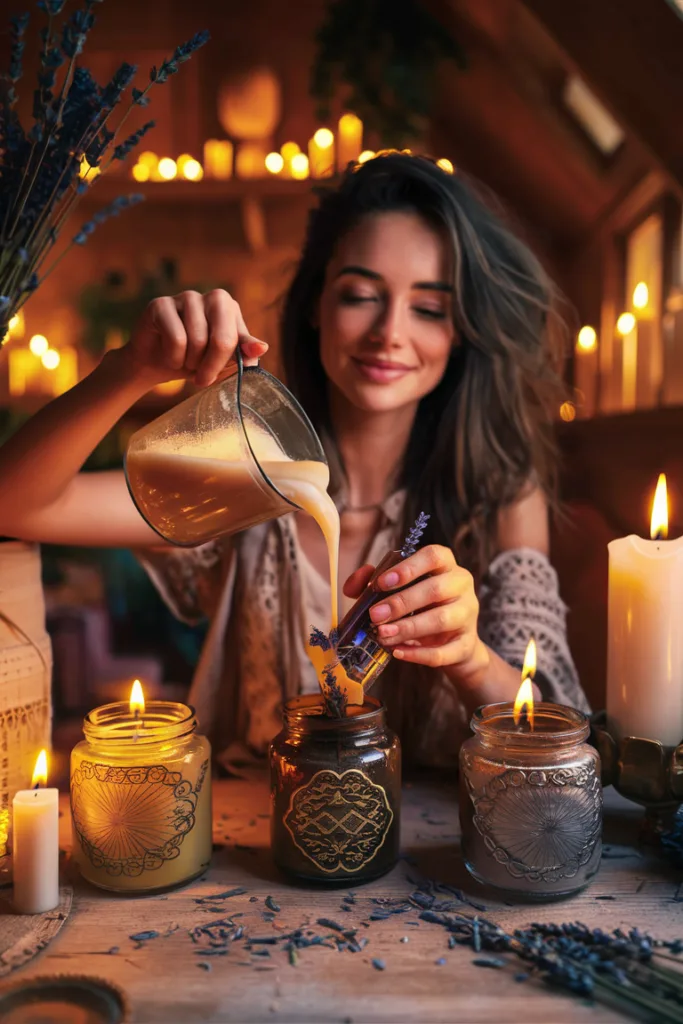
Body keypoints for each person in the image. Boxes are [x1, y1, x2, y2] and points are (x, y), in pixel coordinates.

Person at [0, 152, 588, 768]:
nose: (390, 331)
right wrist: (131, 371)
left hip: (428, 846)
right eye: (361, 294)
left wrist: (468, 657)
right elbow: (17, 504)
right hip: (252, 838)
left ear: (459, 331)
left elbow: (557, 741)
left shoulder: (497, 494)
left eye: (429, 308)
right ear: (316, 304)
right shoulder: (240, 475)